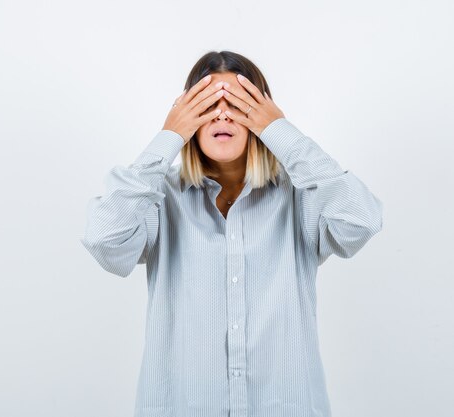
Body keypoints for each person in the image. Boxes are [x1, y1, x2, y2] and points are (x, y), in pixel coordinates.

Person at [79, 50, 383, 417]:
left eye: (237, 104)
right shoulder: (157, 197)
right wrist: (168, 137)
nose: (222, 114)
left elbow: (362, 220)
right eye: (207, 104)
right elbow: (104, 241)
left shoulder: (302, 194)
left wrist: (282, 133)